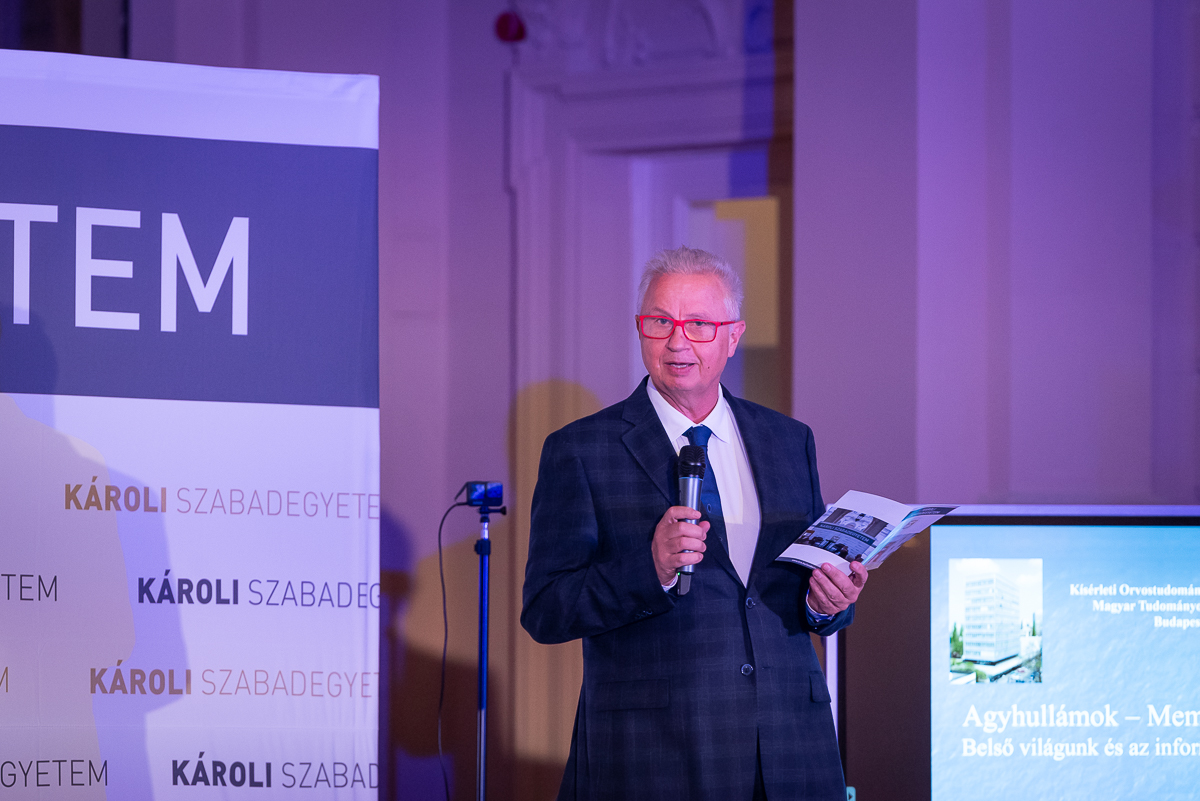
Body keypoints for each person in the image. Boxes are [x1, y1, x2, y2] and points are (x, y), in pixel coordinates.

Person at [521, 246, 868, 801]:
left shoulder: (788, 440)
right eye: (661, 322)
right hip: (655, 755)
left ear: (733, 337)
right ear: (640, 329)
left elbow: (792, 592)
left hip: (790, 747)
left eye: (699, 325)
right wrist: (650, 568)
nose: (677, 342)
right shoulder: (581, 450)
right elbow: (546, 609)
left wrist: (826, 603)